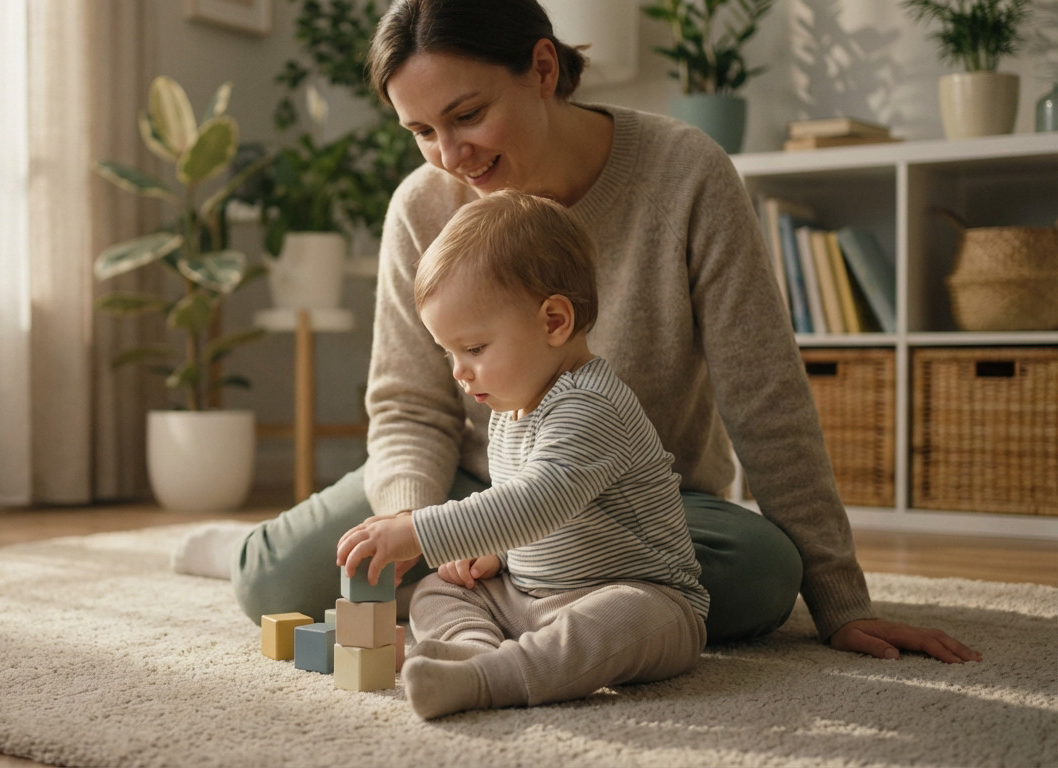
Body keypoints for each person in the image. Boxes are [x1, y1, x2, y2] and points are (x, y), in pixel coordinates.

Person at [229, 0, 979, 664]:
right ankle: (538, 594)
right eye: (421, 130)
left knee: (763, 574)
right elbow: (410, 409)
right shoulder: (423, 206)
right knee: (272, 580)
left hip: (634, 503)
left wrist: (843, 602)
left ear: (544, 68)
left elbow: (765, 397)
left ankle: (503, 590)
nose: (451, 155)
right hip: (463, 485)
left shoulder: (686, 174)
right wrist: (418, 522)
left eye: (467, 115)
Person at [336, 190, 708, 719]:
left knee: (625, 617)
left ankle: (495, 678)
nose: (459, 372)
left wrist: (417, 529)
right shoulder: (514, 407)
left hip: (639, 596)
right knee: (438, 590)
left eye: (476, 349)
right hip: (531, 596)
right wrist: (497, 555)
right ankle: (470, 654)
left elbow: (537, 502)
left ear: (554, 321)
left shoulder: (591, 406)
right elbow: (523, 514)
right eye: (450, 354)